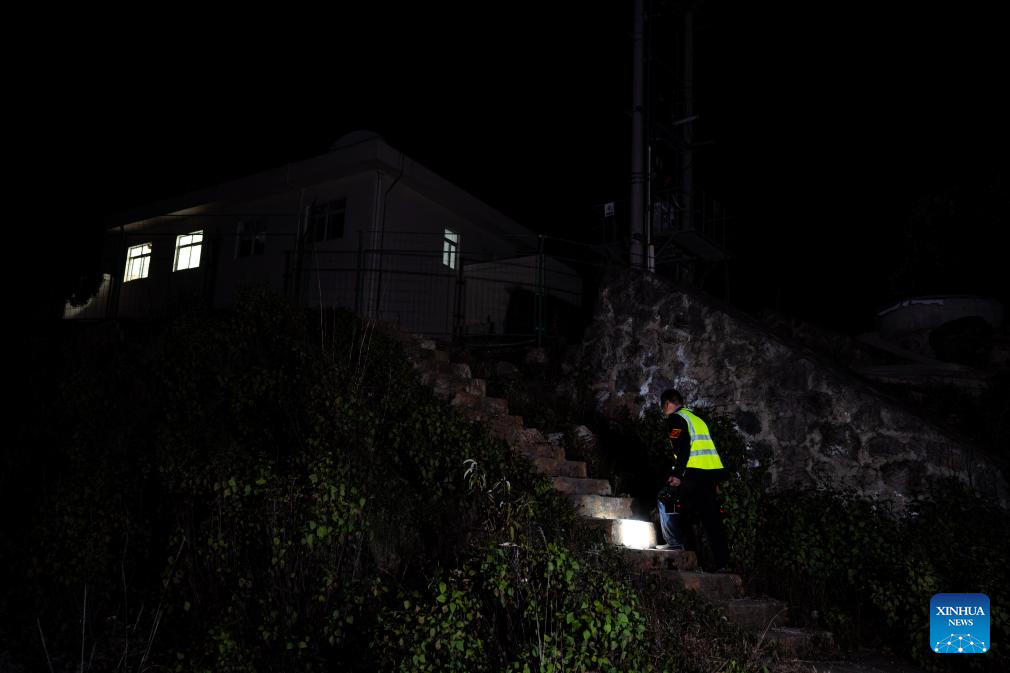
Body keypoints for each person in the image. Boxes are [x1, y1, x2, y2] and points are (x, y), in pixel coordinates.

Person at [653, 389, 731, 573]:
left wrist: (677, 475)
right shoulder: (697, 419)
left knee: (665, 497)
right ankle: (723, 564)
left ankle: (675, 543)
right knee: (712, 521)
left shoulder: (675, 419)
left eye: (663, 407)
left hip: (693, 476)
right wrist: (716, 482)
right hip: (710, 477)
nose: (663, 411)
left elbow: (683, 449)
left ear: (667, 404)